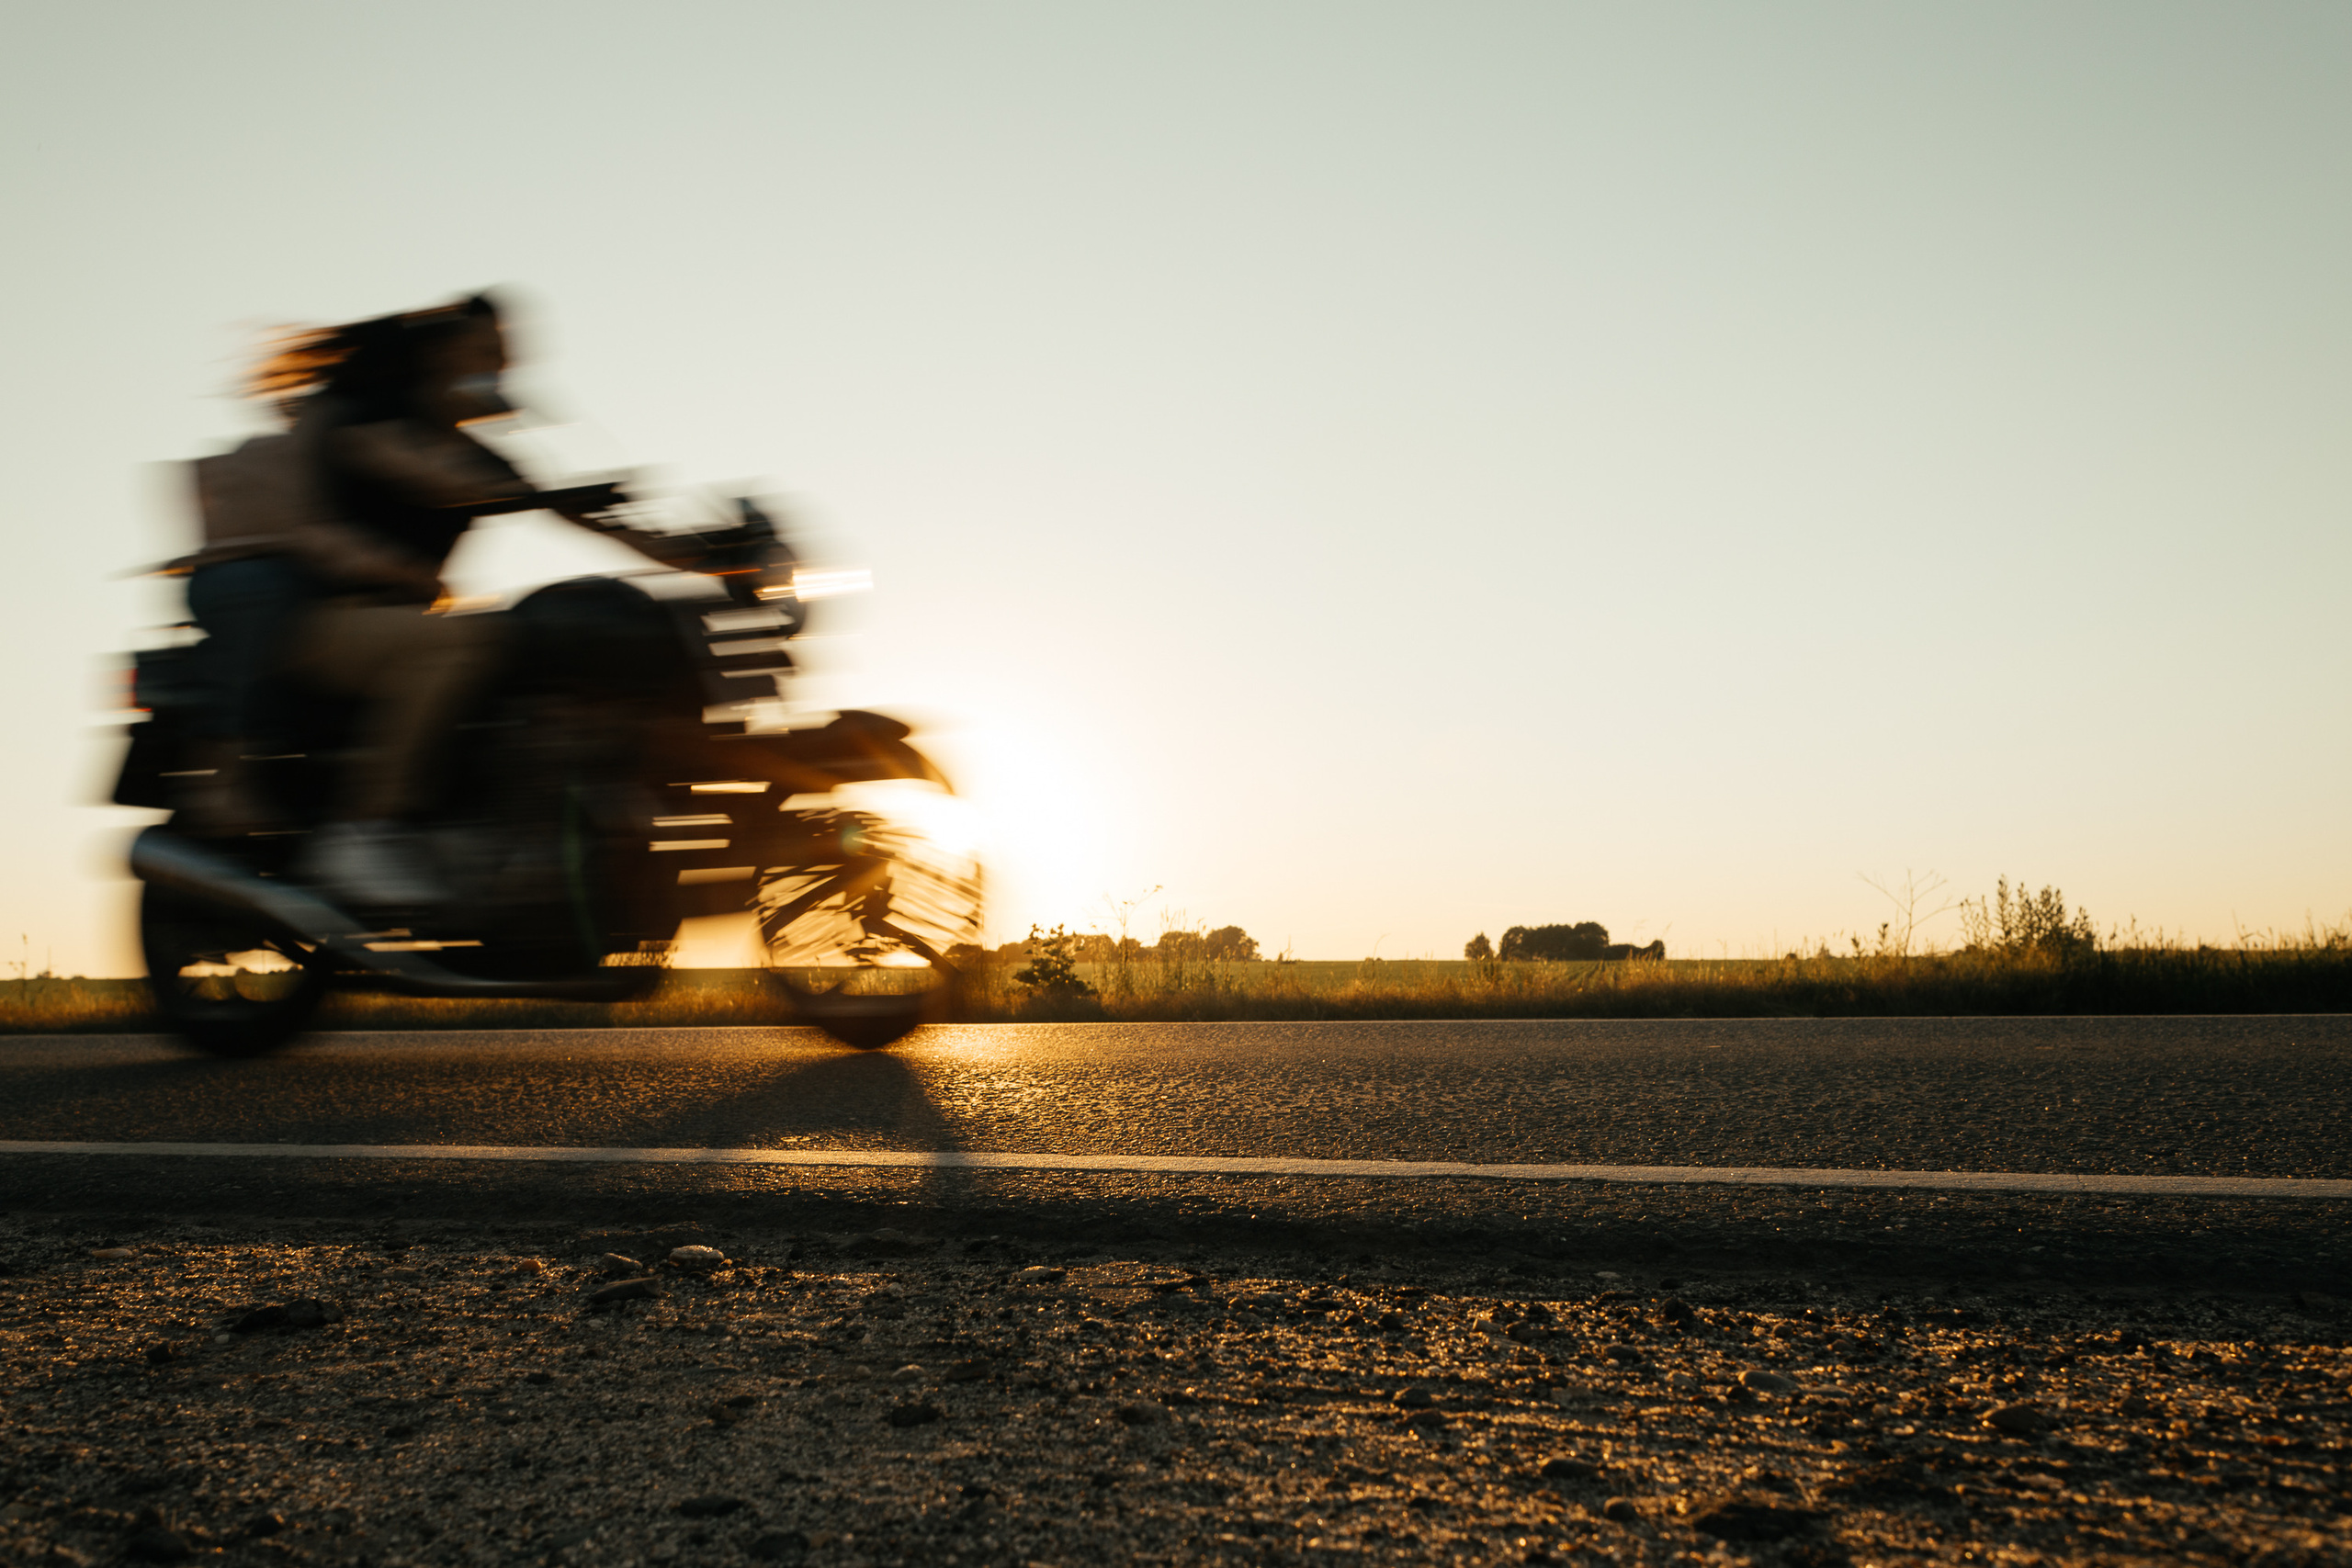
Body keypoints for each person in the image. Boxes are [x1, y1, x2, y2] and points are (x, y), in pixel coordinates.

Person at [235, 292, 691, 908]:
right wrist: (532, 494)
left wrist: (709, 554)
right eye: (487, 353)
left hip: (400, 624)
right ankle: (362, 829)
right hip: (324, 623)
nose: (499, 370)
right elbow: (426, 471)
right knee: (473, 638)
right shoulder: (364, 414)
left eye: (504, 358)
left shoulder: (476, 454)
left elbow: (581, 516)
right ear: (439, 354)